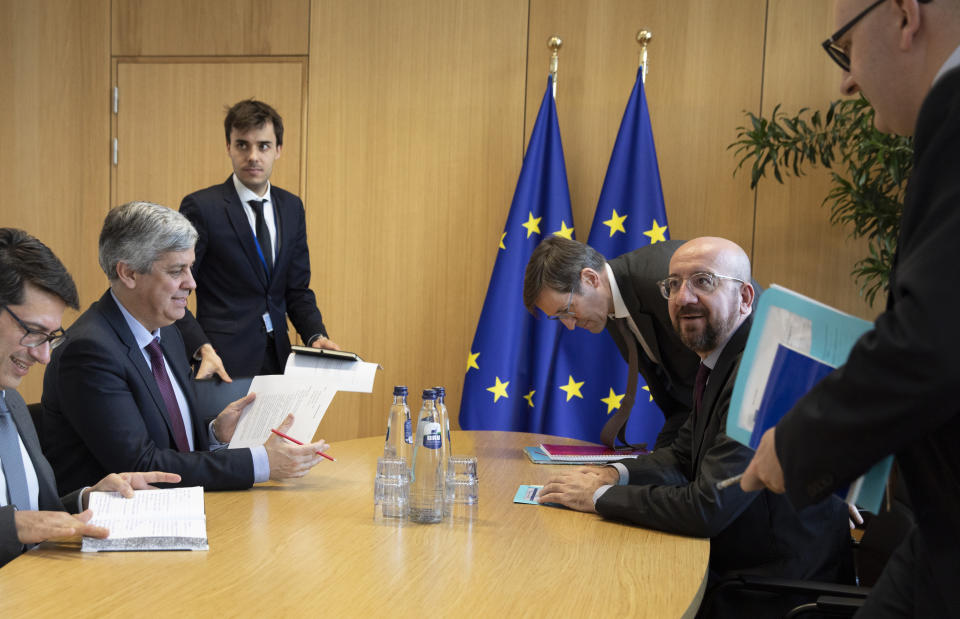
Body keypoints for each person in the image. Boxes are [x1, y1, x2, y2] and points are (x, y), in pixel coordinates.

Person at [741, 1, 960, 615]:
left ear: (903, 16)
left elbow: (932, 338)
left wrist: (799, 444)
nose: (846, 79)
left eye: (845, 47)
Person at [538, 238, 851, 616]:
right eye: (673, 285)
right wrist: (609, 475)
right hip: (736, 555)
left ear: (746, 299)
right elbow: (683, 455)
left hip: (771, 583)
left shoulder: (761, 376)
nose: (683, 297)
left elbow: (707, 506)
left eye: (704, 281)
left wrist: (598, 498)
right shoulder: (715, 363)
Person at [41, 202, 329, 495]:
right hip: (112, 527)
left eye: (190, 268)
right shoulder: (89, 352)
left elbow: (166, 436)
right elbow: (142, 465)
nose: (191, 283)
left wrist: (215, 432)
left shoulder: (169, 330)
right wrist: (261, 463)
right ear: (128, 273)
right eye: (177, 270)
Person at [0, 228, 179, 568]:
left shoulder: (11, 404)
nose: (43, 356)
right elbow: (20, 525)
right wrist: (12, 525)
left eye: (50, 337)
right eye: (33, 333)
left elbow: (37, 514)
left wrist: (89, 498)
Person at [176, 99, 340, 380]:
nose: (253, 156)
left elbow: (297, 290)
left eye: (263, 146)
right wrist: (199, 347)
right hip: (222, 362)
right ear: (228, 147)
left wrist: (316, 335)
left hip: (279, 360)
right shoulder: (202, 207)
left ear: (278, 150)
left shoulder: (291, 207)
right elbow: (175, 288)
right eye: (242, 145)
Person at [524, 236, 701, 448]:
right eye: (559, 317)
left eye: (567, 310)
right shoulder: (608, 308)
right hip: (690, 416)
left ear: (590, 278)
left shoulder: (662, 280)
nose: (569, 325)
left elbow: (722, 363)